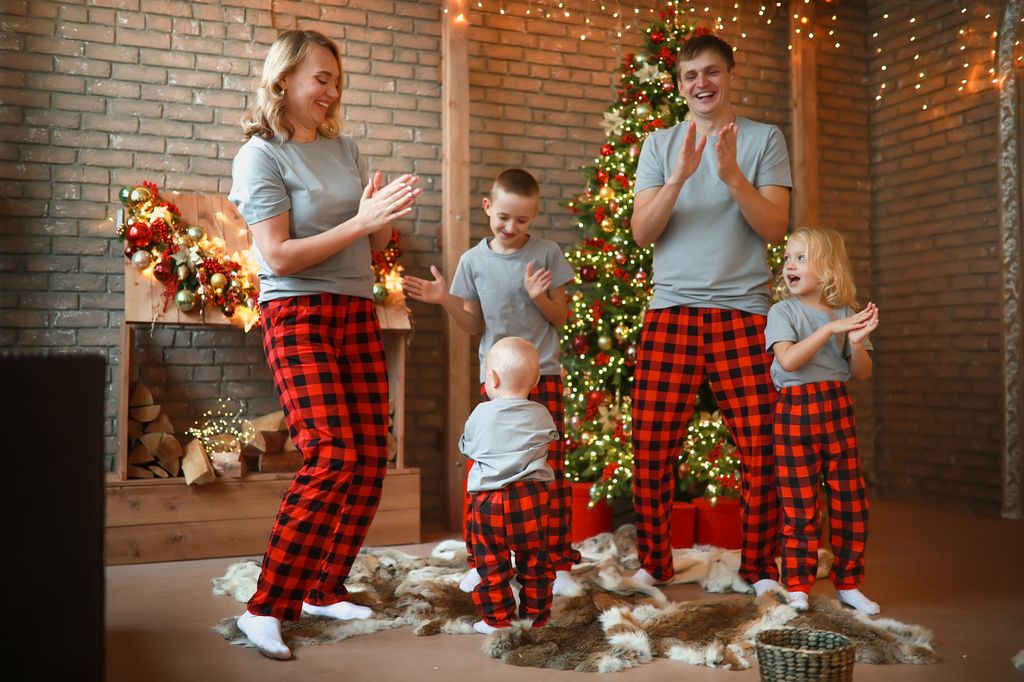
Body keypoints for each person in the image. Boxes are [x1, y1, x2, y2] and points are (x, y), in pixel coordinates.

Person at [227, 29, 421, 660]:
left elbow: (367, 248)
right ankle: (266, 605)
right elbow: (277, 253)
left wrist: (378, 219)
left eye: (338, 80)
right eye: (322, 78)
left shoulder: (346, 149)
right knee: (331, 451)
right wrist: (360, 220)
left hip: (354, 309)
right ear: (284, 79)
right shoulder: (260, 156)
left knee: (369, 455)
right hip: (297, 312)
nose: (332, 91)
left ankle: (323, 586)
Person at [629, 33, 792, 592]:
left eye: (712, 72)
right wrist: (678, 176)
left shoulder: (764, 138)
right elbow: (642, 232)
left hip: (745, 313)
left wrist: (730, 175)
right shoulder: (658, 144)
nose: (702, 83)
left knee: (762, 448)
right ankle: (656, 561)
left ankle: (758, 569)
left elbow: (775, 228)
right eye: (691, 75)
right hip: (671, 311)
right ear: (679, 85)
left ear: (731, 76)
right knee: (651, 446)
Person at [403, 168, 582, 597]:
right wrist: (445, 299)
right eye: (503, 217)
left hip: (544, 379)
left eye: (523, 220)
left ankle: (554, 562)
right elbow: (471, 324)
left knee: (547, 471)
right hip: (496, 384)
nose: (511, 227)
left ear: (534, 215)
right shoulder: (472, 262)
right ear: (487, 208)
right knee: (487, 472)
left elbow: (563, 316)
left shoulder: (548, 254)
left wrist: (539, 296)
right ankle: (485, 561)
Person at [765, 226, 880, 615]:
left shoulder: (847, 315)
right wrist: (830, 329)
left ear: (827, 271)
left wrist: (857, 343)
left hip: (836, 409)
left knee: (850, 502)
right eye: (786, 259)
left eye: (799, 258)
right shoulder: (783, 312)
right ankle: (797, 585)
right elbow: (789, 360)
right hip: (795, 412)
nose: (788, 266)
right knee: (800, 507)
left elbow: (862, 373)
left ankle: (848, 583)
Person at [460, 337, 558, 634]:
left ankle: (498, 619)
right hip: (530, 498)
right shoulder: (541, 413)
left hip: (488, 501)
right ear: (536, 380)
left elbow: (468, 447)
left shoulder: (480, 413)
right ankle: (536, 617)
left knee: (491, 562)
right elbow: (548, 441)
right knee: (535, 559)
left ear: (492, 377)